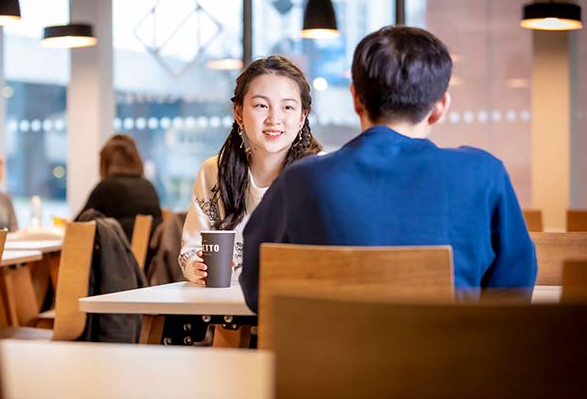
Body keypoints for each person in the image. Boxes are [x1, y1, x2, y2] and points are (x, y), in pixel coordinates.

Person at [239, 26, 537, 312]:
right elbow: (511, 295)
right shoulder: (484, 175)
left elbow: (256, 290)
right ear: (440, 107)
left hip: (332, 362)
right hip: (450, 361)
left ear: (355, 98)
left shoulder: (301, 180)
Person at [179, 56, 322, 285]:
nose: (274, 119)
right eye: (261, 106)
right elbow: (192, 248)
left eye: (287, 107)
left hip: (297, 306)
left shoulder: (321, 174)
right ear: (239, 113)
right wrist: (196, 267)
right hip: (224, 310)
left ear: (302, 117)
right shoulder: (214, 172)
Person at [78, 134, 162, 243]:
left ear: (105, 162)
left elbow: (77, 227)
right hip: (148, 257)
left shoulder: (107, 187)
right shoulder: (149, 186)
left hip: (117, 258)